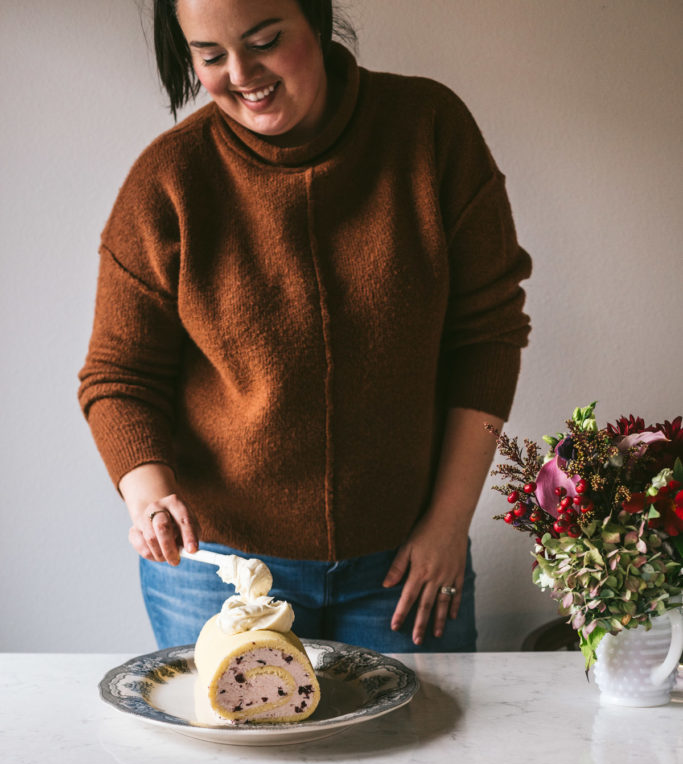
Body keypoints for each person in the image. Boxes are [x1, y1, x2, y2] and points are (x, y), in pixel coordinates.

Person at [78, 0, 532, 653]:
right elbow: (118, 376)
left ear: (314, 19)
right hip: (219, 570)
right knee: (238, 758)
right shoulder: (169, 179)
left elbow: (486, 338)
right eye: (209, 56)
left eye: (264, 41)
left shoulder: (429, 131)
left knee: (420, 753)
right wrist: (148, 495)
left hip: (406, 561)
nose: (241, 73)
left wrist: (447, 523)